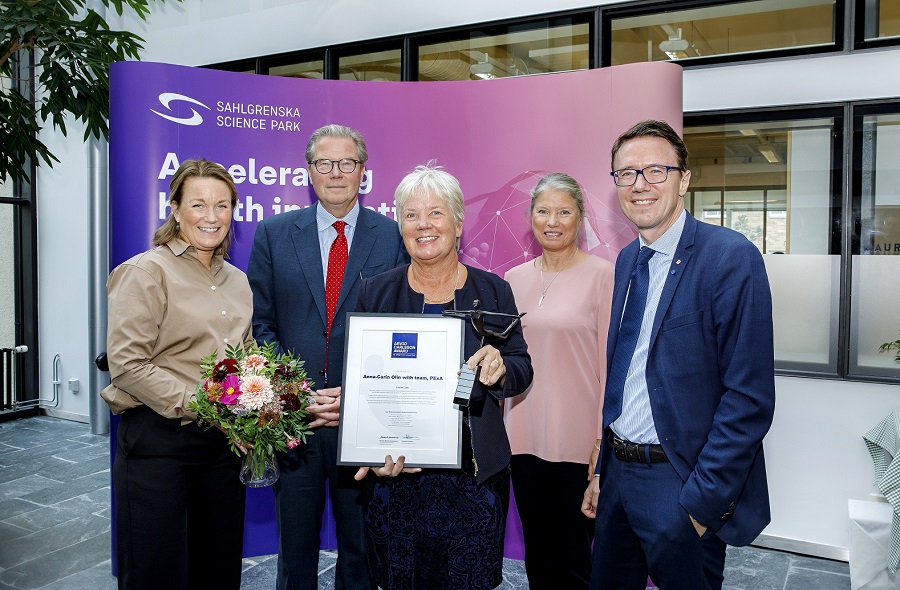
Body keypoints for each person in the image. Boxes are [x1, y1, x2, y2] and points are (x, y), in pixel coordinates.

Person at [580, 120, 776, 590]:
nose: (639, 185)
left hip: (682, 484)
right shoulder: (628, 260)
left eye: (655, 170)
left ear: (684, 178)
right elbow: (626, 372)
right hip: (619, 479)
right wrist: (604, 469)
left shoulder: (730, 257)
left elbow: (748, 398)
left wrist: (701, 505)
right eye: (626, 174)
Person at [353, 163, 533, 590]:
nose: (423, 225)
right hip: (397, 477)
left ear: (457, 221)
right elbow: (362, 381)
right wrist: (367, 446)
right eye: (411, 215)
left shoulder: (494, 290)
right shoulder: (375, 292)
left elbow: (522, 366)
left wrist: (501, 366)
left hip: (473, 479)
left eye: (435, 213)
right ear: (400, 224)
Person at [247, 124, 407, 590]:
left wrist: (353, 396)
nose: (336, 173)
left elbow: (398, 325)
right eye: (324, 163)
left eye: (347, 163)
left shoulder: (392, 235)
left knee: (360, 551)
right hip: (295, 420)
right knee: (295, 552)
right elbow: (261, 324)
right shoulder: (274, 234)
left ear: (363, 171)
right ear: (309, 172)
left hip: (362, 419)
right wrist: (298, 393)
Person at [102, 158, 251, 590]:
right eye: (199, 204)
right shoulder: (145, 272)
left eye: (222, 206)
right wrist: (206, 404)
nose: (212, 216)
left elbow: (242, 356)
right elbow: (128, 365)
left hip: (222, 446)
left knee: (218, 569)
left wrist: (263, 397)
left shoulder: (238, 281)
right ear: (175, 207)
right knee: (157, 573)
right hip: (158, 443)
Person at [503, 172, 614, 589]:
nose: (552, 220)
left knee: (574, 557)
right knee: (538, 550)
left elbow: (610, 365)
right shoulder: (512, 280)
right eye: (543, 210)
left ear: (580, 218)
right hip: (522, 435)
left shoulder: (604, 276)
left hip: (579, 441)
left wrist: (603, 442)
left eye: (564, 211)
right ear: (531, 216)